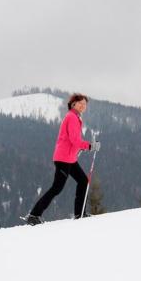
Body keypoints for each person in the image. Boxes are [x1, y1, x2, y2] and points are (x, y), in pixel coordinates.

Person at [25, 93, 101, 225]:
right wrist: (89, 146)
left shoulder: (76, 117)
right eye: (81, 103)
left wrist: (85, 146)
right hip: (63, 159)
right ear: (73, 104)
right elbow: (74, 140)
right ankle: (34, 215)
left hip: (70, 159)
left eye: (85, 104)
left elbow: (72, 141)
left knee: (83, 181)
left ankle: (80, 213)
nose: (83, 106)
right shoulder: (72, 117)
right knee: (57, 188)